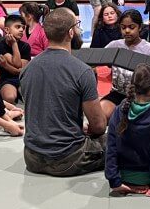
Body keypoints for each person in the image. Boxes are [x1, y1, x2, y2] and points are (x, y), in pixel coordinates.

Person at [21, 9, 108, 176]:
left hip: (32, 158)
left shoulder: (28, 69)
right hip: (68, 159)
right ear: (70, 32)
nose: (79, 30)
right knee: (120, 139)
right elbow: (98, 126)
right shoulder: (82, 71)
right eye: (77, 25)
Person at [106, 64, 150, 197]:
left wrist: (115, 181)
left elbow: (111, 147)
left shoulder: (119, 110)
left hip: (122, 177)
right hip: (147, 178)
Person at [102, 10, 150, 120]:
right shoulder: (114, 45)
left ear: (139, 27)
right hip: (117, 94)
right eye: (123, 27)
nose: (127, 31)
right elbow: (96, 60)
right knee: (99, 115)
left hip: (141, 97)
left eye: (131, 27)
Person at [0, 15, 32, 104]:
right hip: (7, 79)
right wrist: (14, 44)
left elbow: (20, 69)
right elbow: (17, 65)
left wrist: (6, 65)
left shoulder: (26, 46)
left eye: (23, 27)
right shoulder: (0, 46)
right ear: (7, 30)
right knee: (9, 97)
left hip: (23, 79)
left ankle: (19, 91)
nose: (22, 30)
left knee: (33, 98)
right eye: (18, 27)